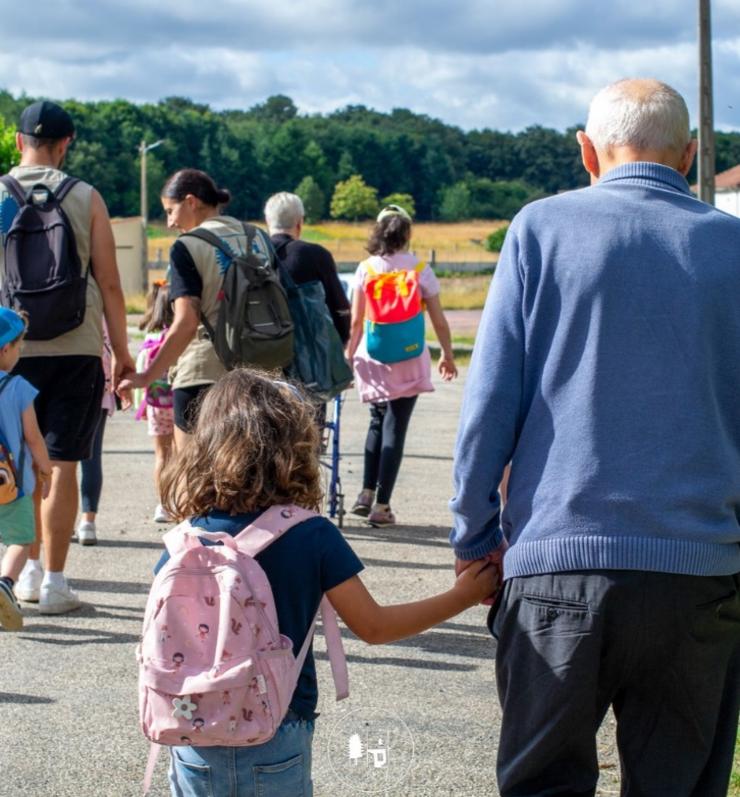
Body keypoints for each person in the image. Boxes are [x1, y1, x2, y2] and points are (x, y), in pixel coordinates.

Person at [449, 78, 740, 797]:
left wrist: (474, 533)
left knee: (542, 783)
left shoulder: (540, 229)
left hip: (557, 563)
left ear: (586, 150)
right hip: (699, 571)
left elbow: (489, 404)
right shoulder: (732, 247)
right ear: (692, 154)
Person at [153, 368, 497, 796]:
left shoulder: (185, 539)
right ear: (295, 447)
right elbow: (374, 627)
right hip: (275, 732)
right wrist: (462, 596)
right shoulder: (309, 534)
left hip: (189, 732)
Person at [0, 100, 135, 614]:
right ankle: (55, 583)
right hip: (77, 349)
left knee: (19, 464)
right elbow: (112, 284)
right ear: (67, 143)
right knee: (62, 465)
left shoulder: (0, 196)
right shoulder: (85, 196)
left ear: (17, 142)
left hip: (11, 352)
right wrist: (121, 354)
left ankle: (25, 571)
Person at [118, 169, 274, 449]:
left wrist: (147, 376)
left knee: (196, 479)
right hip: (262, 373)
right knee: (248, 478)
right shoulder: (259, 238)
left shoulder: (188, 246)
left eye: (170, 211)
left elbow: (186, 322)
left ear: (191, 201)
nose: (169, 223)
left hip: (204, 374)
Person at [345, 205, 457, 527]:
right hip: (409, 357)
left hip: (374, 356)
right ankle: (382, 506)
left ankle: (365, 493)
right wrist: (447, 354)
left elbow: (355, 322)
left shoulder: (366, 268)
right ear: (407, 233)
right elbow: (438, 320)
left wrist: (349, 356)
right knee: (397, 424)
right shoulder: (420, 269)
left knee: (377, 422)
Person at [0, 309, 52, 630]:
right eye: (19, 346)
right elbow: (33, 439)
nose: (20, 353)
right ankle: (6, 582)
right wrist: (45, 471)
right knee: (21, 538)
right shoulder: (18, 388)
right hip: (12, 484)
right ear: (5, 348)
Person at [264, 192, 351, 343]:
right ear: (299, 223)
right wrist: (341, 341)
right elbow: (339, 307)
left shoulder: (252, 255)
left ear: (268, 221)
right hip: (308, 351)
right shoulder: (315, 255)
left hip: (261, 351)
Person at [136, 280, 174, 523]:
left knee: (161, 456)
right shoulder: (180, 336)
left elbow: (142, 369)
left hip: (156, 405)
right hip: (180, 403)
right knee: (182, 454)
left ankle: (162, 505)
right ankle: (181, 500)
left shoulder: (150, 337)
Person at [75, 326, 116, 545]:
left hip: (59, 386)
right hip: (97, 384)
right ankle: (87, 523)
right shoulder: (97, 300)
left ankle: (57, 520)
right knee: (92, 458)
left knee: (58, 462)